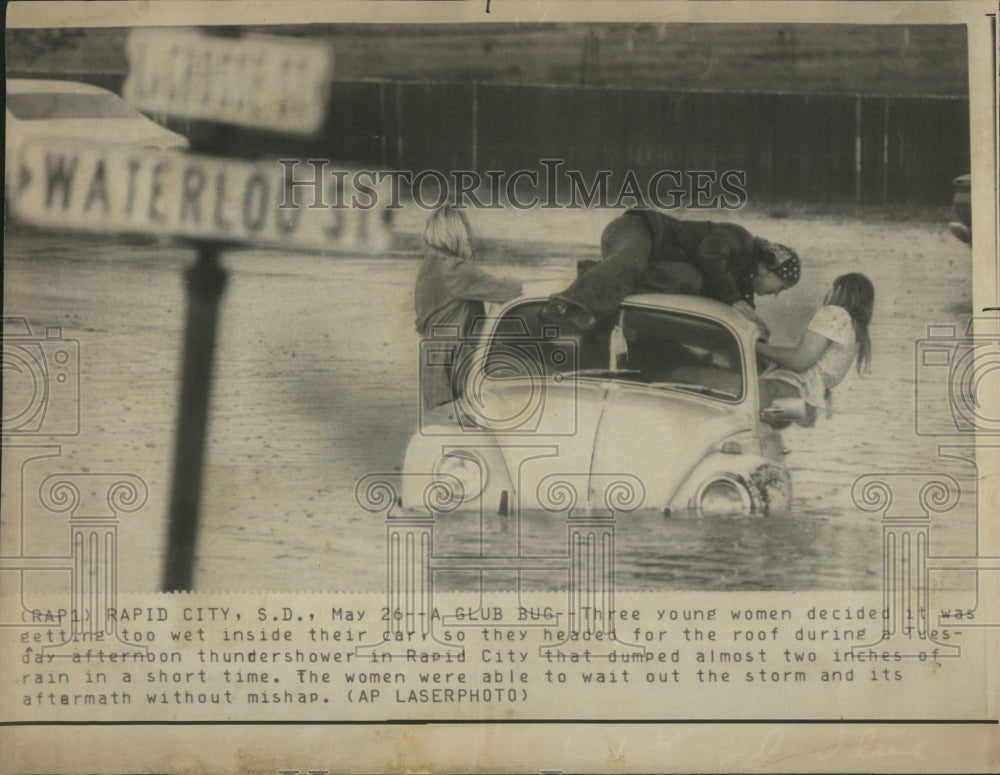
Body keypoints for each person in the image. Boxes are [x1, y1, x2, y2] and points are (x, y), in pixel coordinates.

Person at [539, 210, 801, 332]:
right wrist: (732, 299)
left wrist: (758, 331)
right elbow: (709, 255)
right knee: (631, 261)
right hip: (639, 230)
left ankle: (596, 273)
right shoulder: (740, 240)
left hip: (650, 260)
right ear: (768, 269)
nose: (775, 294)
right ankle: (563, 304)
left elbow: (742, 313)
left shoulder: (740, 284)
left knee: (689, 279)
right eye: (780, 287)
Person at [415, 205, 522, 409]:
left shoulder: (430, 265)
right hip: (454, 358)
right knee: (465, 421)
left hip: (433, 358)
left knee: (444, 424)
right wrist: (513, 281)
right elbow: (506, 290)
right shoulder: (454, 269)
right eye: (466, 230)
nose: (469, 236)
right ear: (456, 232)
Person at [756, 273, 874, 427]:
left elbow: (798, 361)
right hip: (802, 407)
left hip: (784, 391)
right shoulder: (856, 331)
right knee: (755, 428)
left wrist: (752, 345)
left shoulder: (834, 313)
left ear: (839, 290)